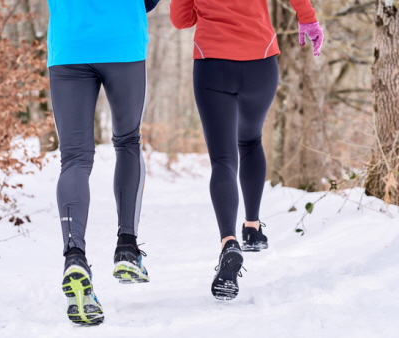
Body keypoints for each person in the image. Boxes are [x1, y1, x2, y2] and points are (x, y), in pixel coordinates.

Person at [169, 0, 323, 300]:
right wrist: (308, 19)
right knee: (250, 141)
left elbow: (180, 20)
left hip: (212, 65)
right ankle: (252, 227)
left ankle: (229, 241)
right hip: (261, 64)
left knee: (223, 159)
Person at [47, 0, 160, 325]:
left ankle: (74, 256)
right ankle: (127, 247)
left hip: (69, 44)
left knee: (74, 158)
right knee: (127, 142)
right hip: (123, 40)